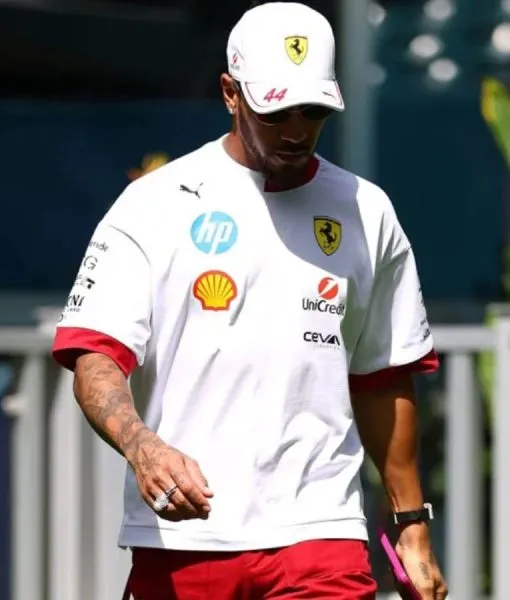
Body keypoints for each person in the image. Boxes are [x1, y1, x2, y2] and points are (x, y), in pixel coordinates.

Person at [52, 2, 448, 599]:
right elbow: (96, 356)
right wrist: (142, 446)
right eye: (275, 111)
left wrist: (412, 527)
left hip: (321, 536)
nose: (296, 130)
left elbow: (383, 377)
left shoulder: (368, 211)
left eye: (313, 111)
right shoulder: (153, 204)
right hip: (184, 538)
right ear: (230, 94)